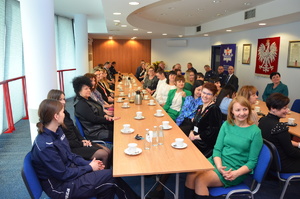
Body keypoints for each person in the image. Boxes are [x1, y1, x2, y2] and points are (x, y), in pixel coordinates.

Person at [31, 99, 139, 199]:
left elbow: (70, 155)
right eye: (62, 112)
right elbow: (63, 174)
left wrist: (89, 164)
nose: (64, 114)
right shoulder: (46, 146)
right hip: (61, 187)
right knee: (111, 177)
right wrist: (89, 168)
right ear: (56, 116)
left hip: (70, 174)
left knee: (107, 183)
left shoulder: (57, 131)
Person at [185, 96, 263, 198]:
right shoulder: (227, 125)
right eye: (238, 110)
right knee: (192, 174)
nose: (242, 113)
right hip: (218, 162)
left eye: (245, 109)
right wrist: (219, 166)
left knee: (201, 180)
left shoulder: (255, 132)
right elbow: (217, 149)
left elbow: (252, 162)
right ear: (232, 112)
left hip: (235, 169)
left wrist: (235, 173)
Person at [47, 89, 111, 166]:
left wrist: (83, 140)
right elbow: (65, 142)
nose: (64, 102)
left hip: (78, 142)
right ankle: (102, 174)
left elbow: (74, 129)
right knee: (104, 154)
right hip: (72, 148)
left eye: (64, 99)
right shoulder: (56, 120)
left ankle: (106, 172)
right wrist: (81, 143)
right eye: (60, 99)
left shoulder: (65, 113)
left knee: (107, 150)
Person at [259, 93, 300, 173]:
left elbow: (280, 142)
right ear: (273, 108)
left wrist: (298, 144)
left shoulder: (262, 120)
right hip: (283, 164)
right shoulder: (280, 127)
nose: (287, 111)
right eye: (284, 108)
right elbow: (291, 153)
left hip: (269, 161)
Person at [73, 76, 120, 142]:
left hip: (100, 126)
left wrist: (106, 116)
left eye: (89, 88)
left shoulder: (88, 99)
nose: (89, 90)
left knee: (119, 127)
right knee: (118, 135)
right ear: (79, 91)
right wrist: (109, 119)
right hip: (94, 132)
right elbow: (94, 119)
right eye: (86, 89)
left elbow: (99, 108)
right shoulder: (81, 105)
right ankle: (113, 152)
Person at [187, 82, 222, 156]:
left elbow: (213, 131)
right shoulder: (200, 107)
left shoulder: (214, 109)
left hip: (205, 144)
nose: (205, 96)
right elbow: (195, 123)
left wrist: (195, 137)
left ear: (214, 96)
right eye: (204, 92)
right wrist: (191, 132)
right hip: (196, 137)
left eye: (209, 94)